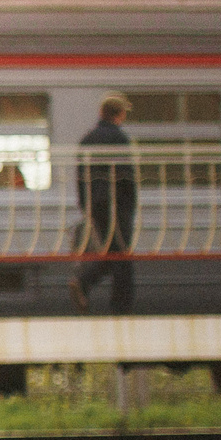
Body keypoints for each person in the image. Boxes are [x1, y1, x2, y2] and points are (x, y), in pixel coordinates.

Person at [71, 93, 138, 314]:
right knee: (121, 255)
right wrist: (130, 204)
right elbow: (127, 175)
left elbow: (80, 176)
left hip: (96, 204)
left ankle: (84, 283)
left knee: (113, 251)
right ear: (120, 115)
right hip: (117, 204)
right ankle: (120, 308)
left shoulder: (87, 138)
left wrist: (85, 204)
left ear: (101, 113)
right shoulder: (120, 139)